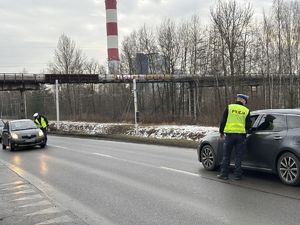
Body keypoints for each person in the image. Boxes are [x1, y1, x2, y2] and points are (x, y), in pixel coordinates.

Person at [217, 94, 252, 180]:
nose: (245, 103)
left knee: (226, 156)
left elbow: (223, 121)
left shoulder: (229, 107)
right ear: (243, 101)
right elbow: (248, 125)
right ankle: (238, 175)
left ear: (237, 99)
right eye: (245, 102)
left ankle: (224, 175)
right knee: (238, 156)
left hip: (229, 135)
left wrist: (221, 132)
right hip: (240, 136)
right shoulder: (246, 110)